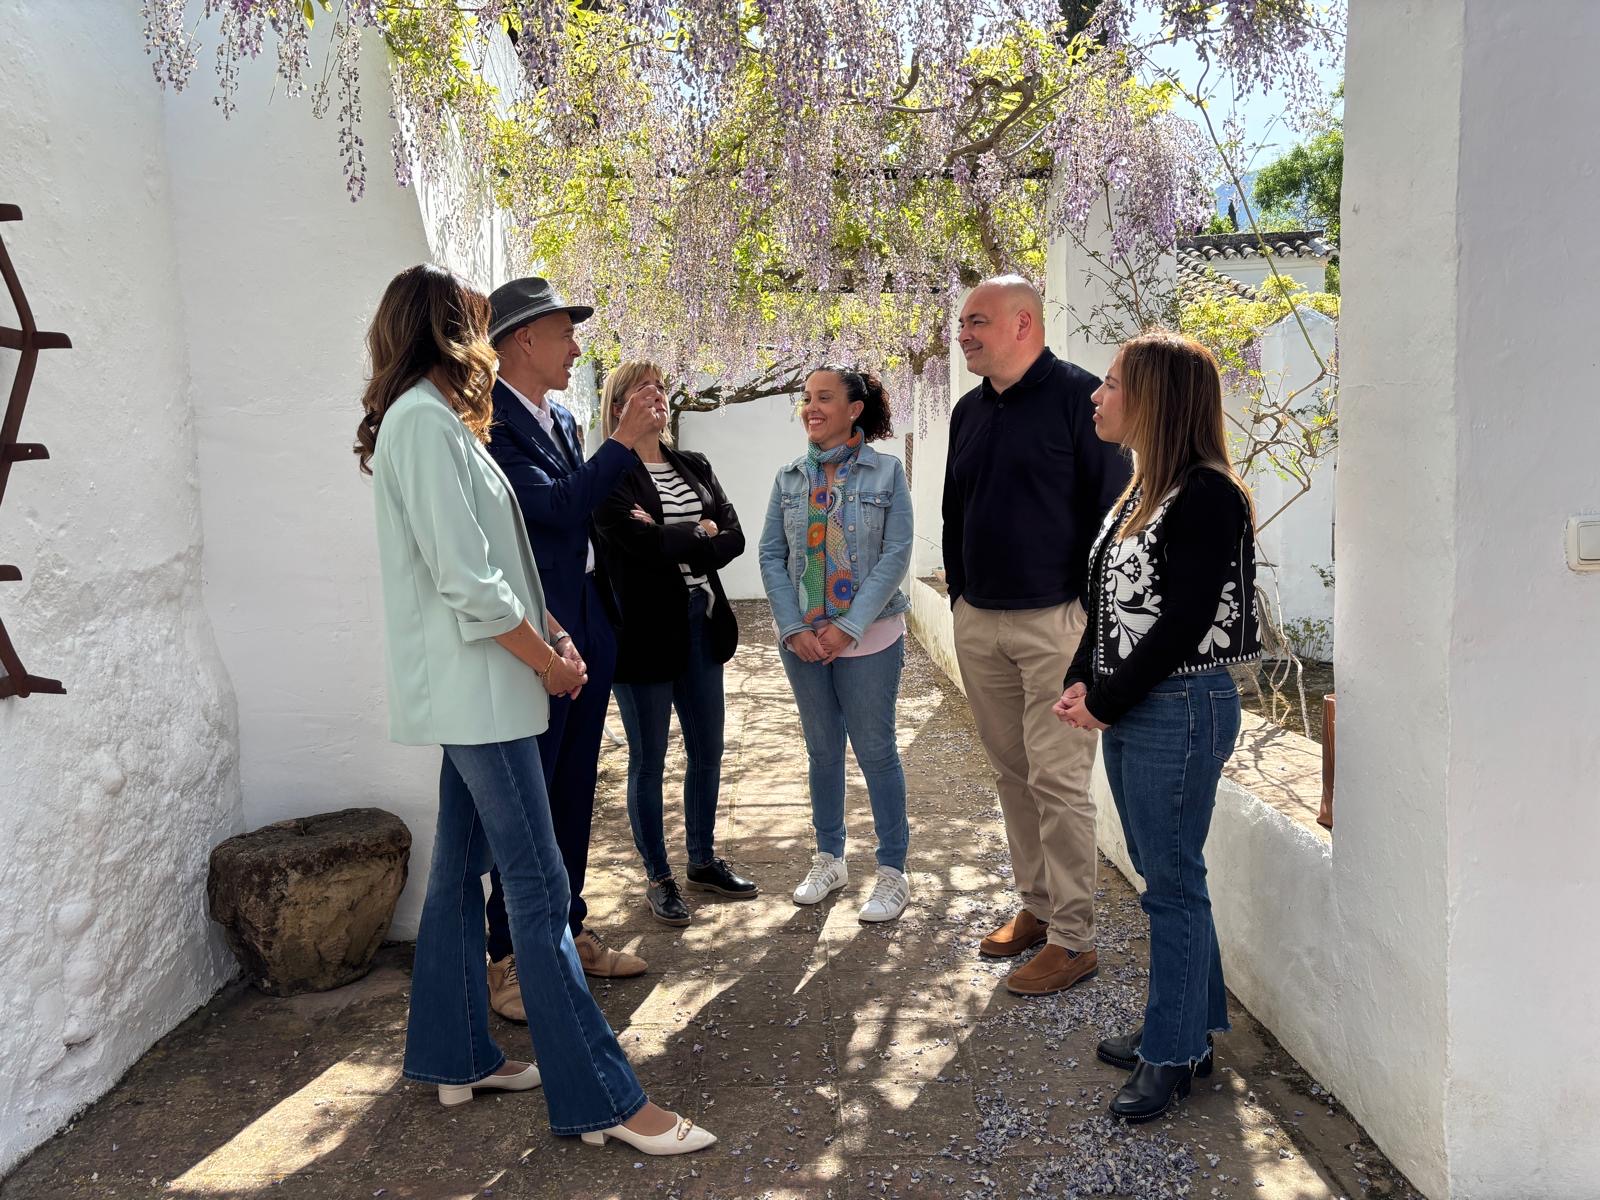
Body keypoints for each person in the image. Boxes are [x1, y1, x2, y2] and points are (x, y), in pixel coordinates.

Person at [356, 264, 714, 1154]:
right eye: (477, 326)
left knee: (457, 875)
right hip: (483, 692)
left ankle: (455, 1051)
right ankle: (602, 1099)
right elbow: (467, 583)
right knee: (540, 883)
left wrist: (553, 627)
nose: (487, 345)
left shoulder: (439, 424)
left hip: (485, 685)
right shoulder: (424, 427)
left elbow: (501, 559)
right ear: (452, 333)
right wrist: (545, 664)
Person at [1055, 329, 1258, 1123]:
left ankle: (1171, 1053)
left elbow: (1181, 624)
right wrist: (1083, 675)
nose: (1096, 396)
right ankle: (1191, 1028)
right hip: (1146, 706)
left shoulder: (1207, 494)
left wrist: (1105, 699)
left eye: (1110, 383)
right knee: (1169, 876)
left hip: (1180, 708)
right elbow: (1110, 607)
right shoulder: (1147, 489)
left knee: (1169, 887)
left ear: (1157, 398)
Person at [942, 274, 1131, 996]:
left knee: (1058, 781)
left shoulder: (1082, 401)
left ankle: (1076, 939)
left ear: (1024, 323)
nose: (964, 333)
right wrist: (960, 598)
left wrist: (1087, 625)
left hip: (1057, 622)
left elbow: (1113, 520)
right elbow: (955, 514)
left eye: (978, 321)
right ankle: (1038, 907)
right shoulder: (966, 412)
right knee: (1012, 774)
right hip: (980, 621)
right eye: (964, 321)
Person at [479, 277, 662, 1016]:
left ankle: (566, 927)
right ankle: (509, 956)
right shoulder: (491, 424)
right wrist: (620, 445)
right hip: (539, 634)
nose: (576, 348)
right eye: (564, 335)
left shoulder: (556, 418)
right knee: (535, 795)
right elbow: (555, 511)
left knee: (575, 789)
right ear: (523, 339)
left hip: (586, 624)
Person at [591, 360, 758, 925]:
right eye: (644, 389)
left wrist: (686, 535)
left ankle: (703, 859)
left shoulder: (694, 464)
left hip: (700, 621)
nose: (658, 396)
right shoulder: (608, 474)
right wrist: (697, 532)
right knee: (650, 760)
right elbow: (638, 548)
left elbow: (731, 534)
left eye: (661, 388)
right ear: (619, 406)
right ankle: (659, 876)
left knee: (708, 749)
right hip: (641, 632)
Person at [758, 365, 914, 923]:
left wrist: (847, 625)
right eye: (806, 398)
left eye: (824, 397)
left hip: (868, 637)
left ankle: (893, 870)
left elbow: (896, 556)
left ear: (855, 409)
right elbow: (770, 555)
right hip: (802, 641)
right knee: (822, 752)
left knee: (875, 750)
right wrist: (794, 627)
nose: (810, 407)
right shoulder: (789, 478)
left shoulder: (888, 473)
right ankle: (830, 858)